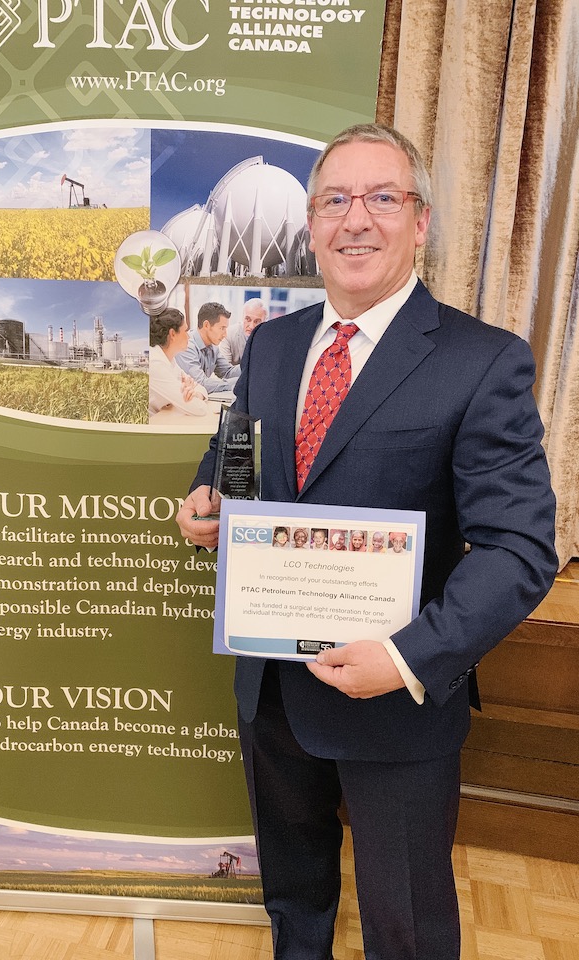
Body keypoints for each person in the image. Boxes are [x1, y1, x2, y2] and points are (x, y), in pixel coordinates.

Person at [176, 123, 556, 960]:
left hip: (397, 704)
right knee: (294, 898)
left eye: (383, 197)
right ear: (310, 225)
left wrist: (411, 657)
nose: (357, 220)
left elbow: (521, 548)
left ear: (420, 222)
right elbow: (237, 448)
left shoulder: (481, 362)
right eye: (335, 200)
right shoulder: (271, 345)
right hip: (272, 689)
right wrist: (208, 494)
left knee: (406, 926)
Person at [148, 308, 209, 417]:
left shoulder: (170, 359)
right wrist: (193, 396)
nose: (189, 336)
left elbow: (202, 389)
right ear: (172, 334)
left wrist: (196, 394)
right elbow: (199, 409)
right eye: (185, 331)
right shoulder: (155, 364)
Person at [176, 301, 240, 395]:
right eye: (222, 328)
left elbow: (227, 372)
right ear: (206, 325)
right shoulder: (187, 346)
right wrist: (238, 383)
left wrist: (250, 365)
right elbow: (200, 384)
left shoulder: (213, 347)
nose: (225, 334)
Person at [218, 298, 268, 366]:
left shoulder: (271, 340)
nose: (251, 326)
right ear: (242, 317)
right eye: (248, 319)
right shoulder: (228, 334)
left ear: (265, 321)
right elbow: (224, 370)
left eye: (257, 322)